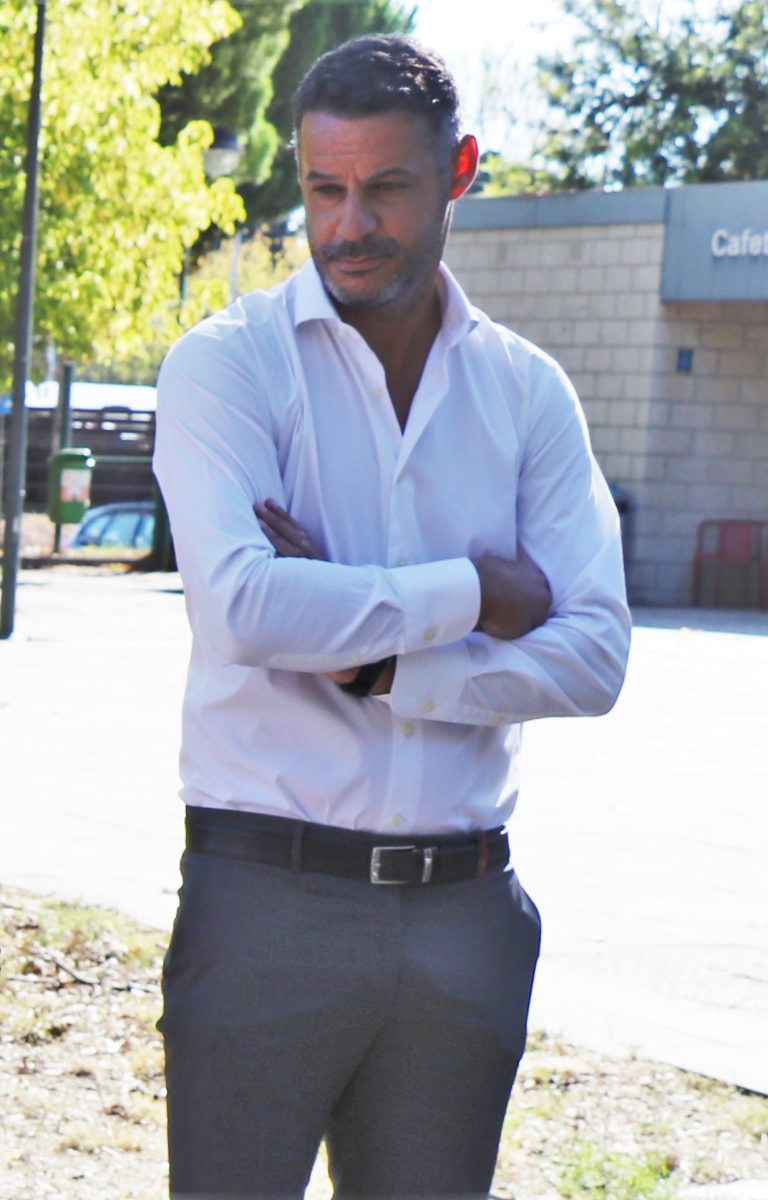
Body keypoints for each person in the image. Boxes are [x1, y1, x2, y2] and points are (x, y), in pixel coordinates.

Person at [153, 33, 630, 1200]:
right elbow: (246, 608)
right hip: (265, 901)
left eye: (387, 188)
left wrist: (377, 667)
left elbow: (594, 653)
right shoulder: (227, 368)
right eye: (325, 189)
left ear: (460, 169)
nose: (349, 224)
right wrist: (477, 592)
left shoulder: (527, 391)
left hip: (468, 913)